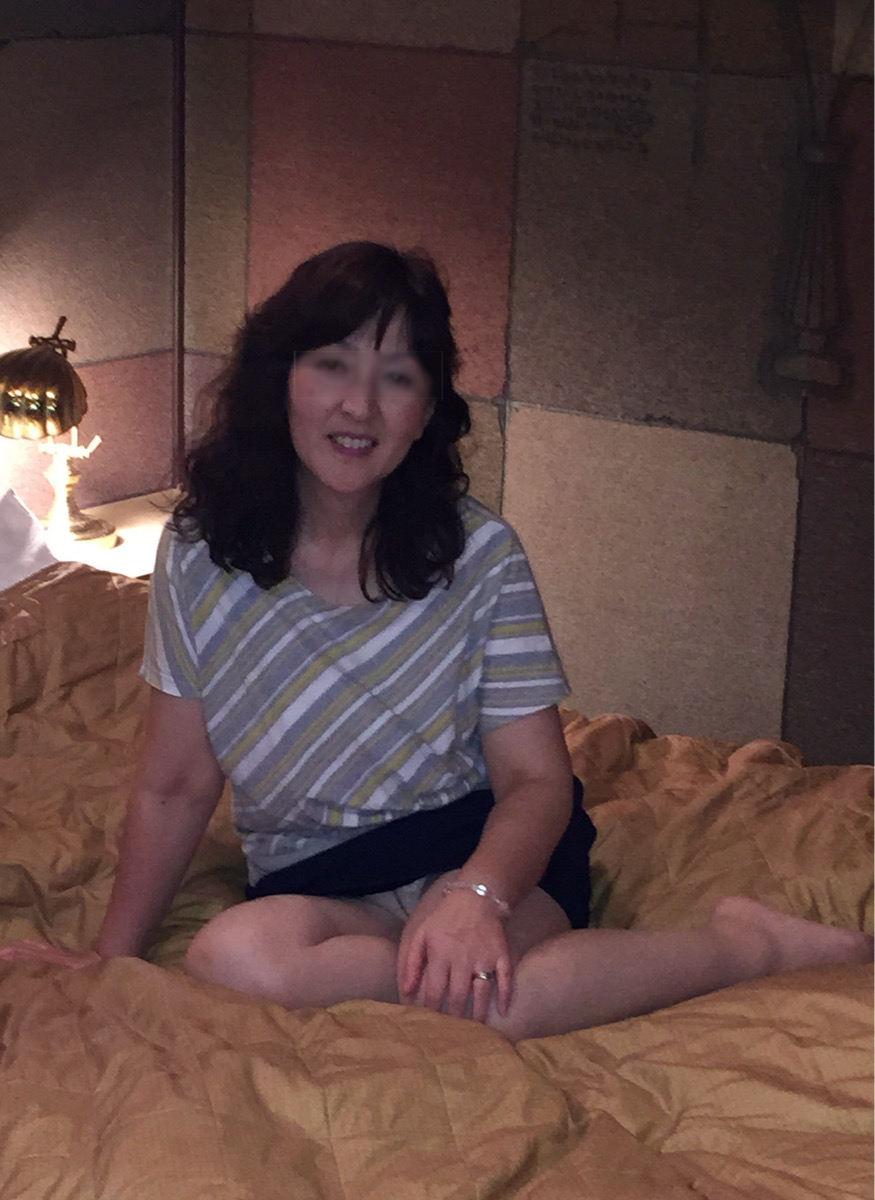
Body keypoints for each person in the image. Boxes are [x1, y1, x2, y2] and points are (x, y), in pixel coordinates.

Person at [1, 242, 870, 1040]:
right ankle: (449, 975)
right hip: (317, 878)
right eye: (331, 364)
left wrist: (475, 898)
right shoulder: (199, 555)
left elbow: (536, 782)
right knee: (228, 957)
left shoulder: (479, 554)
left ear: (425, 410)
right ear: (281, 378)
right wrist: (109, 958)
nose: (358, 405)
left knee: (499, 1001)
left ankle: (742, 945)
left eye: (397, 377)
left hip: (482, 850)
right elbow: (176, 783)